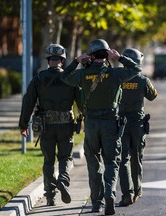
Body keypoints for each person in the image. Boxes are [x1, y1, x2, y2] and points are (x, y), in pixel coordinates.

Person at [61, 39, 141, 215]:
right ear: (106, 55)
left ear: (91, 55)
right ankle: (110, 193)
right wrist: (120, 57)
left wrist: (76, 61)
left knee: (93, 162)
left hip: (90, 124)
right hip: (110, 123)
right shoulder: (116, 74)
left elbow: (64, 76)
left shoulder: (83, 75)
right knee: (111, 161)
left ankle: (96, 202)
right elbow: (137, 69)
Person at [19, 44, 82, 206]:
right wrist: (88, 120)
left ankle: (50, 197)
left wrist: (23, 124)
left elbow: (28, 102)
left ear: (48, 60)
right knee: (65, 157)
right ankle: (63, 179)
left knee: (48, 161)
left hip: (46, 126)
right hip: (66, 126)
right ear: (62, 60)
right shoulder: (71, 78)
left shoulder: (39, 79)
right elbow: (82, 102)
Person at [118, 48, 157, 206]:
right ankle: (138, 189)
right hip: (137, 124)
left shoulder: (117, 79)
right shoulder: (142, 80)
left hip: (121, 123)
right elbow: (153, 96)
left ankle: (127, 193)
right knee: (137, 158)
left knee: (123, 159)